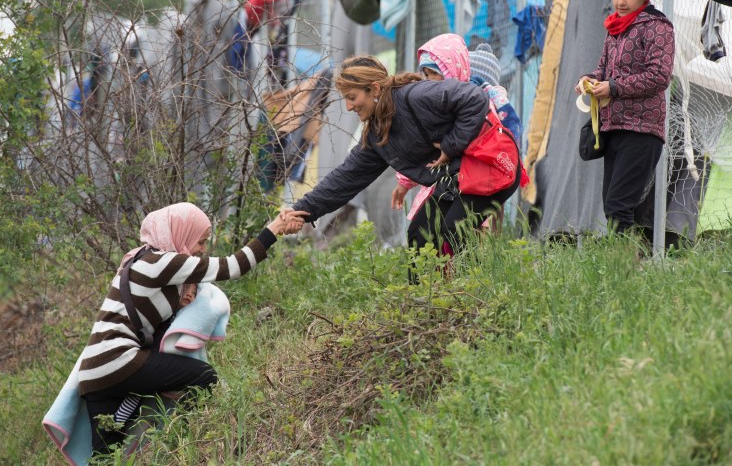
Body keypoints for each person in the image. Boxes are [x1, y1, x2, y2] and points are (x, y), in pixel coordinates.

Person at [78, 202, 305, 456]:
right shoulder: (162, 262)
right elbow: (234, 265)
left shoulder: (137, 259)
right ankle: (179, 443)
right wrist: (275, 228)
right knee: (203, 376)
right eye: (201, 241)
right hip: (118, 360)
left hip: (93, 373)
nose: (202, 250)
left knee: (107, 456)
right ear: (181, 233)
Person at [289, 55, 520, 281]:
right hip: (459, 178)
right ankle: (421, 303)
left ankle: (473, 296)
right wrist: (302, 210)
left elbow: (474, 98)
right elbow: (345, 178)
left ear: (375, 89)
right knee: (420, 232)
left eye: (352, 97)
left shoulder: (416, 96)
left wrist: (450, 146)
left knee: (455, 228)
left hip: (493, 165)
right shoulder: (379, 134)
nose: (349, 106)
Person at [574, 0, 675, 235]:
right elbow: (602, 70)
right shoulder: (614, 29)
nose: (620, 1)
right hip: (614, 127)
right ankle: (625, 266)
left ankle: (625, 270)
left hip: (642, 131)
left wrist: (614, 87)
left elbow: (659, 76)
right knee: (612, 207)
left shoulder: (658, 27)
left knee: (619, 207)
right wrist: (589, 80)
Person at [391, 35, 523, 230]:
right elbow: (426, 151)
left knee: (472, 235)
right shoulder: (440, 107)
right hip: (449, 184)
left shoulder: (482, 109)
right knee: (438, 233)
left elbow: (508, 138)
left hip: (481, 182)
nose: (427, 81)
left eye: (432, 74)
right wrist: (404, 181)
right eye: (425, 75)